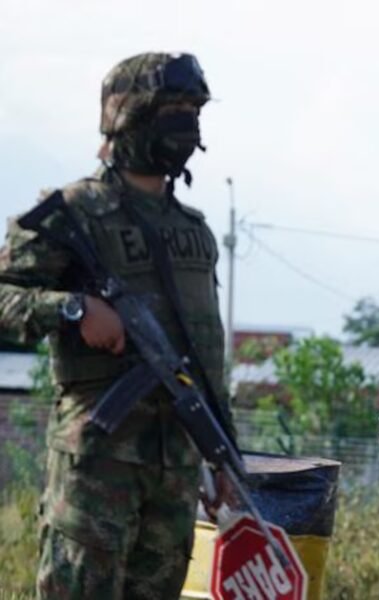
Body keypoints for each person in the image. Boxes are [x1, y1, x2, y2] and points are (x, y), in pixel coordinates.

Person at [0, 52, 235, 599]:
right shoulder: (72, 212)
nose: (185, 121)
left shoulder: (194, 230)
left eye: (193, 109)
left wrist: (222, 450)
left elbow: (206, 351)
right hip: (98, 463)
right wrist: (73, 310)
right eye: (171, 107)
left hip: (175, 463)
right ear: (127, 115)